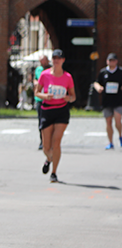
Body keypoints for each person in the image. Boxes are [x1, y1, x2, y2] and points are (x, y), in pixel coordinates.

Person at [36, 49, 76, 183]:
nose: (56, 60)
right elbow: (37, 93)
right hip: (47, 110)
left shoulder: (68, 77)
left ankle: (54, 172)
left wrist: (68, 98)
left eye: (59, 58)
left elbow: (73, 96)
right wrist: (45, 96)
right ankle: (49, 159)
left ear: (63, 60)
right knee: (46, 147)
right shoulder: (44, 75)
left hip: (61, 111)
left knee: (56, 141)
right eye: (54, 58)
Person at [92, 52, 122, 150]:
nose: (111, 62)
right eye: (109, 60)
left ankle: (120, 136)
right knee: (108, 122)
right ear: (107, 61)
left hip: (118, 100)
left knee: (118, 120)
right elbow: (96, 82)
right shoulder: (103, 72)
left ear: (116, 61)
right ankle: (110, 142)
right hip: (107, 101)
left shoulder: (120, 72)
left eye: (113, 60)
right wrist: (98, 88)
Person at [34, 54, 50, 150]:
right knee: (41, 121)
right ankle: (42, 141)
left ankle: (50, 141)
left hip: (49, 98)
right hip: (40, 98)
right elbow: (35, 78)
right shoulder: (38, 69)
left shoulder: (51, 69)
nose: (42, 63)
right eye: (40, 61)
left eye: (43, 60)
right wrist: (35, 82)